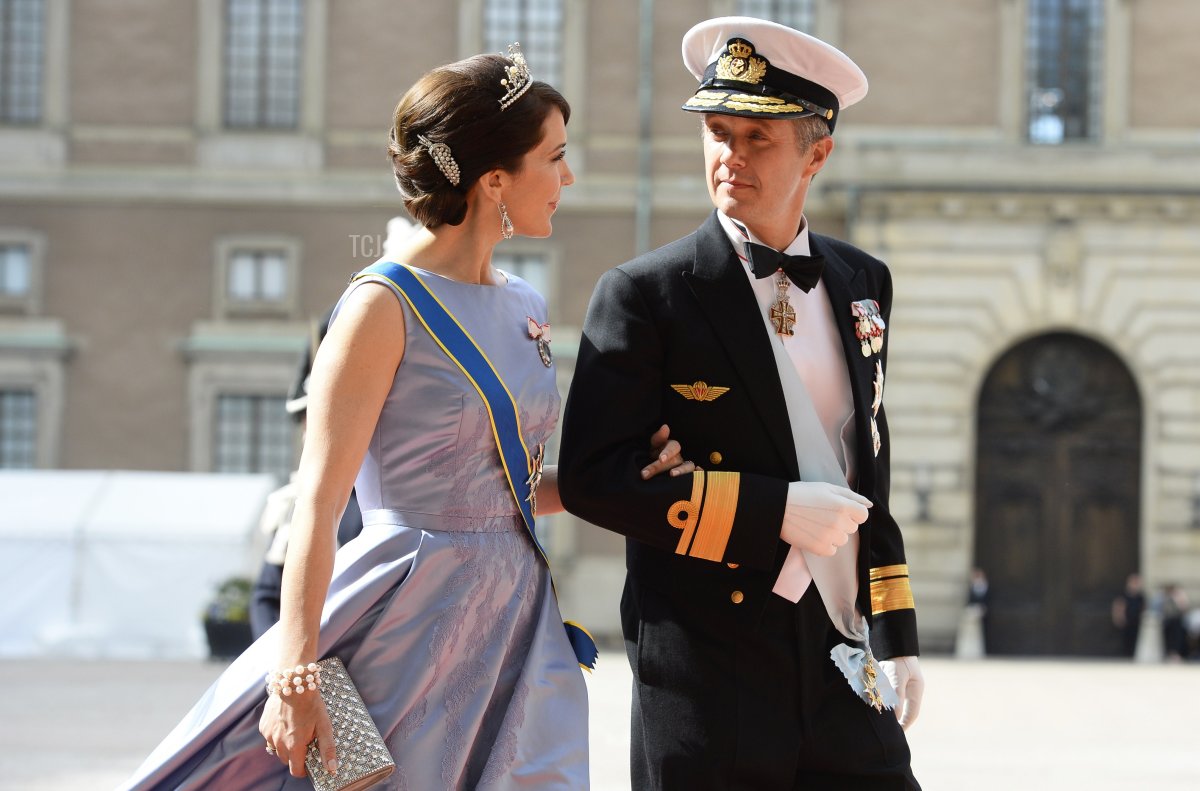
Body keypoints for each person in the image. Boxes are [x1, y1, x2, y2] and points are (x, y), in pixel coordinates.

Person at [121, 46, 691, 790]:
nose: (568, 177)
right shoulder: (377, 307)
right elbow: (320, 506)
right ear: (494, 181)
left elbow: (504, 490)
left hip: (516, 616)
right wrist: (295, 675)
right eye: (554, 157)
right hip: (409, 622)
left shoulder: (524, 304)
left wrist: (623, 478)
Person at [559, 17, 922, 790]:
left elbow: (870, 472)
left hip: (839, 655)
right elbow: (594, 475)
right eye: (719, 132)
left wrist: (896, 632)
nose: (731, 155)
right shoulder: (645, 293)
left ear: (817, 153)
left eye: (759, 138)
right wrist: (772, 510)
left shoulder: (864, 282)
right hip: (710, 665)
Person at [249, 308, 364, 640]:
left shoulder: (389, 499)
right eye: (308, 420)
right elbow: (268, 598)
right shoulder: (301, 498)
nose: (308, 435)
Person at [1110, 571, 1145, 658]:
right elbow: (1118, 606)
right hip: (1126, 622)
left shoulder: (1141, 596)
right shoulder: (1123, 594)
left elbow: (1143, 609)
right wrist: (1119, 618)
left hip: (1137, 622)